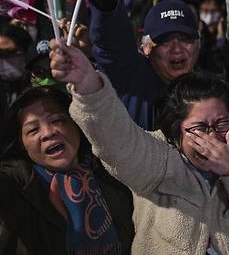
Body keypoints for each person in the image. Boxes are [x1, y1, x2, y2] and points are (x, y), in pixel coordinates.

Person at [48, 41, 229, 255]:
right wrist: (88, 83)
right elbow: (116, 138)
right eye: (199, 128)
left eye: (222, 124)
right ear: (176, 131)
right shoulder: (160, 156)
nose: (213, 138)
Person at [0, 86, 134, 254]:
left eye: (57, 120)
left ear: (76, 123)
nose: (48, 133)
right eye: (33, 130)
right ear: (21, 144)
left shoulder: (112, 170)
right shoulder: (13, 184)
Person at [89, 0, 201, 129]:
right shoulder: (129, 77)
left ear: (198, 44)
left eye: (185, 39)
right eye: (165, 41)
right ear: (146, 47)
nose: (177, 48)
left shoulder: (210, 89)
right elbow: (111, 33)